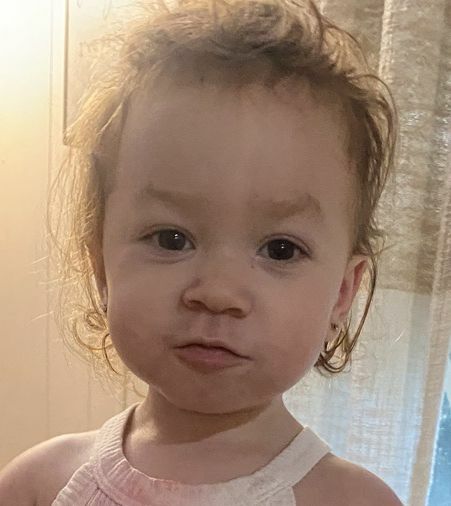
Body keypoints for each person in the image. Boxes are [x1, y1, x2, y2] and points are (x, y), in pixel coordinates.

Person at [0, 0, 404, 504]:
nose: (217, 293)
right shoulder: (39, 485)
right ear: (99, 265)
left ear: (342, 293)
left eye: (281, 250)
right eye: (171, 239)